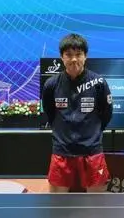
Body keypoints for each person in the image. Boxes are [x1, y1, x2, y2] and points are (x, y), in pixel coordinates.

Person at [42, 33, 113, 193]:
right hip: (62, 152)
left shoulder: (99, 83)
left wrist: (91, 134)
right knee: (57, 204)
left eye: (78, 54)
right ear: (62, 57)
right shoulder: (51, 84)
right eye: (68, 55)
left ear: (85, 56)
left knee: (96, 205)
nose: (74, 59)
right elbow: (49, 112)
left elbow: (106, 114)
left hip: (92, 152)